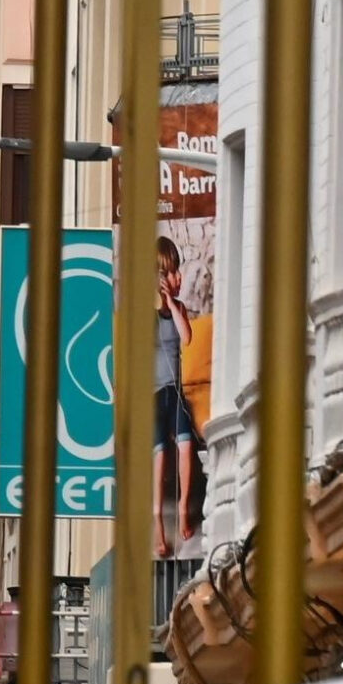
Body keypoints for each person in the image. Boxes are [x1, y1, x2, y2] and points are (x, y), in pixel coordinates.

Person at [152, 234, 201, 557]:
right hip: (155, 392)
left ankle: (183, 505)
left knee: (186, 444)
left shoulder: (179, 307)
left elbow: (186, 339)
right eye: (170, 273)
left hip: (177, 390)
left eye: (178, 271)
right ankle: (158, 517)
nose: (178, 278)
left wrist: (172, 304)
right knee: (161, 455)